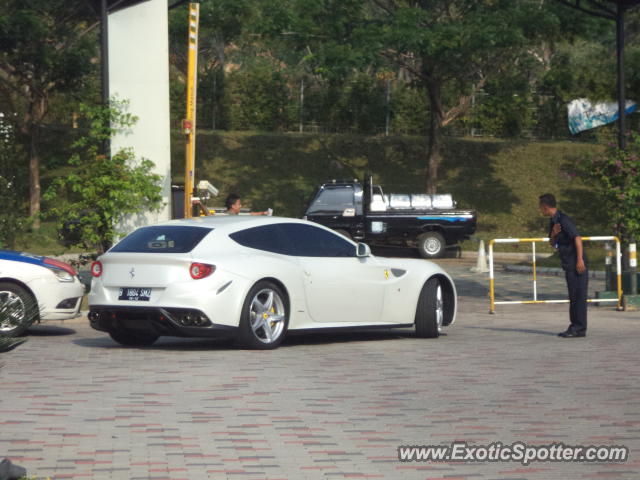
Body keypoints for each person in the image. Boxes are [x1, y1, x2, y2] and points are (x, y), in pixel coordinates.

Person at [538, 193, 588, 338]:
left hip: (576, 263)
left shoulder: (563, 219)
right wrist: (553, 234)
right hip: (568, 262)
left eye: (540, 207)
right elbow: (552, 243)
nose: (540, 210)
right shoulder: (553, 221)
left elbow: (577, 238)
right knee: (573, 296)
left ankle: (579, 328)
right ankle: (575, 326)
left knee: (579, 296)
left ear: (546, 207)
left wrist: (580, 259)